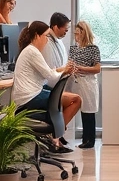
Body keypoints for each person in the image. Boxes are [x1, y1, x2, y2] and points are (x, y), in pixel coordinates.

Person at [12, 20, 81, 153]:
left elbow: (48, 73)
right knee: (76, 100)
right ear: (37, 36)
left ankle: (54, 137)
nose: (47, 41)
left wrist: (63, 69)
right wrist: (65, 71)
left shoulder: (31, 50)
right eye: (46, 36)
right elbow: (51, 77)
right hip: (30, 98)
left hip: (32, 94)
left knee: (70, 100)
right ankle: (55, 138)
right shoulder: (32, 51)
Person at [69, 21, 101, 149]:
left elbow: (97, 68)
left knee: (89, 111)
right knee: (82, 110)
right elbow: (70, 63)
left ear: (84, 33)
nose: (76, 35)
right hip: (76, 81)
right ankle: (85, 139)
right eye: (75, 33)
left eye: (78, 32)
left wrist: (82, 68)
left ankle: (90, 140)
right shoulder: (73, 48)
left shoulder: (93, 49)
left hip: (88, 82)